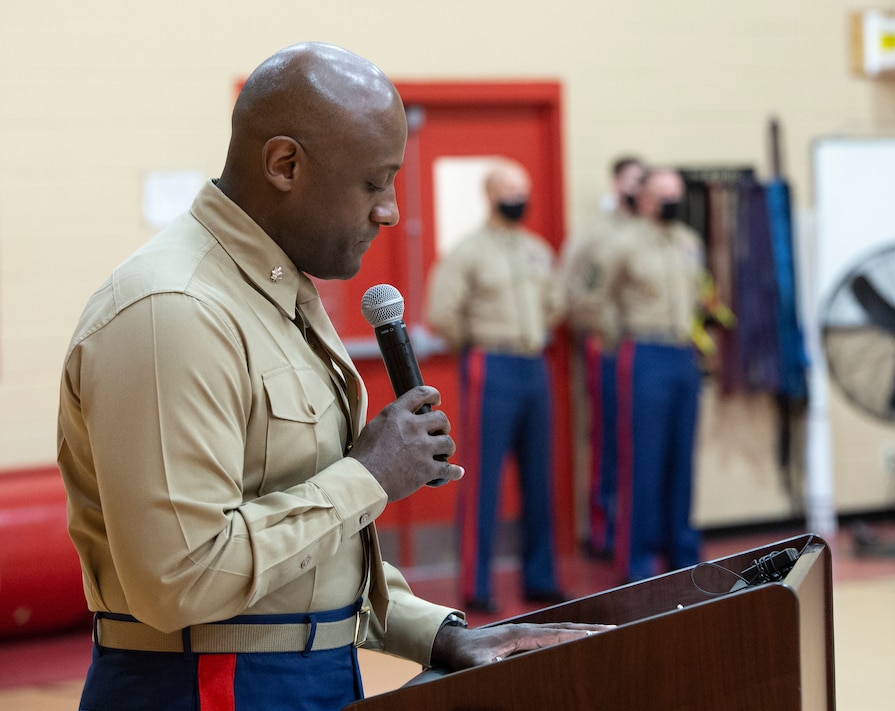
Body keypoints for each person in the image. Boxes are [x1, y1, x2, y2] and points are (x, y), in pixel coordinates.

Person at [56, 42, 604, 711]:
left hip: (302, 670)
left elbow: (301, 557)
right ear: (285, 164)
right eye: (373, 183)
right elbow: (181, 577)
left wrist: (432, 630)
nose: (391, 212)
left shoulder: (274, 291)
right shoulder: (173, 310)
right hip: (206, 686)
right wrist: (368, 476)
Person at [426, 159, 567, 614]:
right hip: (491, 363)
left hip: (532, 364)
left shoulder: (537, 249)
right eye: (510, 190)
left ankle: (540, 576)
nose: (519, 198)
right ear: (491, 195)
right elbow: (443, 312)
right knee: (483, 477)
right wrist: (475, 343)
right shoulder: (467, 251)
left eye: (524, 189)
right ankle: (476, 582)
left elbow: (554, 304)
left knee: (538, 477)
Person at [600, 167, 707, 583]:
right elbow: (593, 298)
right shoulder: (622, 244)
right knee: (641, 460)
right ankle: (637, 561)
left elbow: (698, 296)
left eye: (677, 193)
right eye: (664, 194)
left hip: (683, 354)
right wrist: (618, 342)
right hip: (643, 352)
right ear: (644, 198)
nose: (673, 201)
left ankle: (681, 552)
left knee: (682, 459)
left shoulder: (688, 242)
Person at [561, 155, 645, 559]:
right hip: (609, 347)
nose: (638, 188)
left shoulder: (652, 231)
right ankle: (602, 529)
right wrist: (607, 330)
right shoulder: (596, 234)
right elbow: (574, 289)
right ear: (617, 184)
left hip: (648, 349)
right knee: (606, 439)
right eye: (632, 180)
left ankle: (637, 527)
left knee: (641, 440)